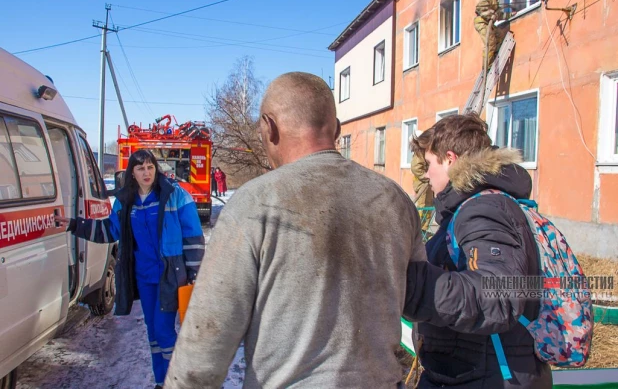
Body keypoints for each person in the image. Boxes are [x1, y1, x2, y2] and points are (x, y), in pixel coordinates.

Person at [165, 72, 427, 388]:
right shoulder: (395, 200)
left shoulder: (253, 205)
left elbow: (205, 343)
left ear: (269, 127)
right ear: (337, 129)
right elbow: (416, 303)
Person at [403, 115, 552, 388]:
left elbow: (501, 293)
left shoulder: (483, 209)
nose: (425, 174)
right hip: (478, 369)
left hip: (490, 376)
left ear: (450, 159)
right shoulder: (474, 207)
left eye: (429, 164)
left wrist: (409, 286)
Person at [55, 149, 205, 389]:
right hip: (144, 277)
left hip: (170, 274)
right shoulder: (125, 201)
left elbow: (193, 236)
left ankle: (176, 383)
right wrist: (75, 224)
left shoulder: (175, 194)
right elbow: (109, 230)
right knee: (153, 334)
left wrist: (195, 273)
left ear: (156, 168)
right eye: (140, 168)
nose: (146, 172)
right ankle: (160, 381)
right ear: (132, 173)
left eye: (150, 167)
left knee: (164, 331)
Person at [474, 0, 515, 69]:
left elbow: (499, 15)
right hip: (482, 23)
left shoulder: (494, 0)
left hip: (487, 23)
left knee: (499, 36)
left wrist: (510, 15)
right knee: (490, 42)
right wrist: (491, 15)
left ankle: (493, 55)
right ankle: (487, 66)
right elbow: (479, 8)